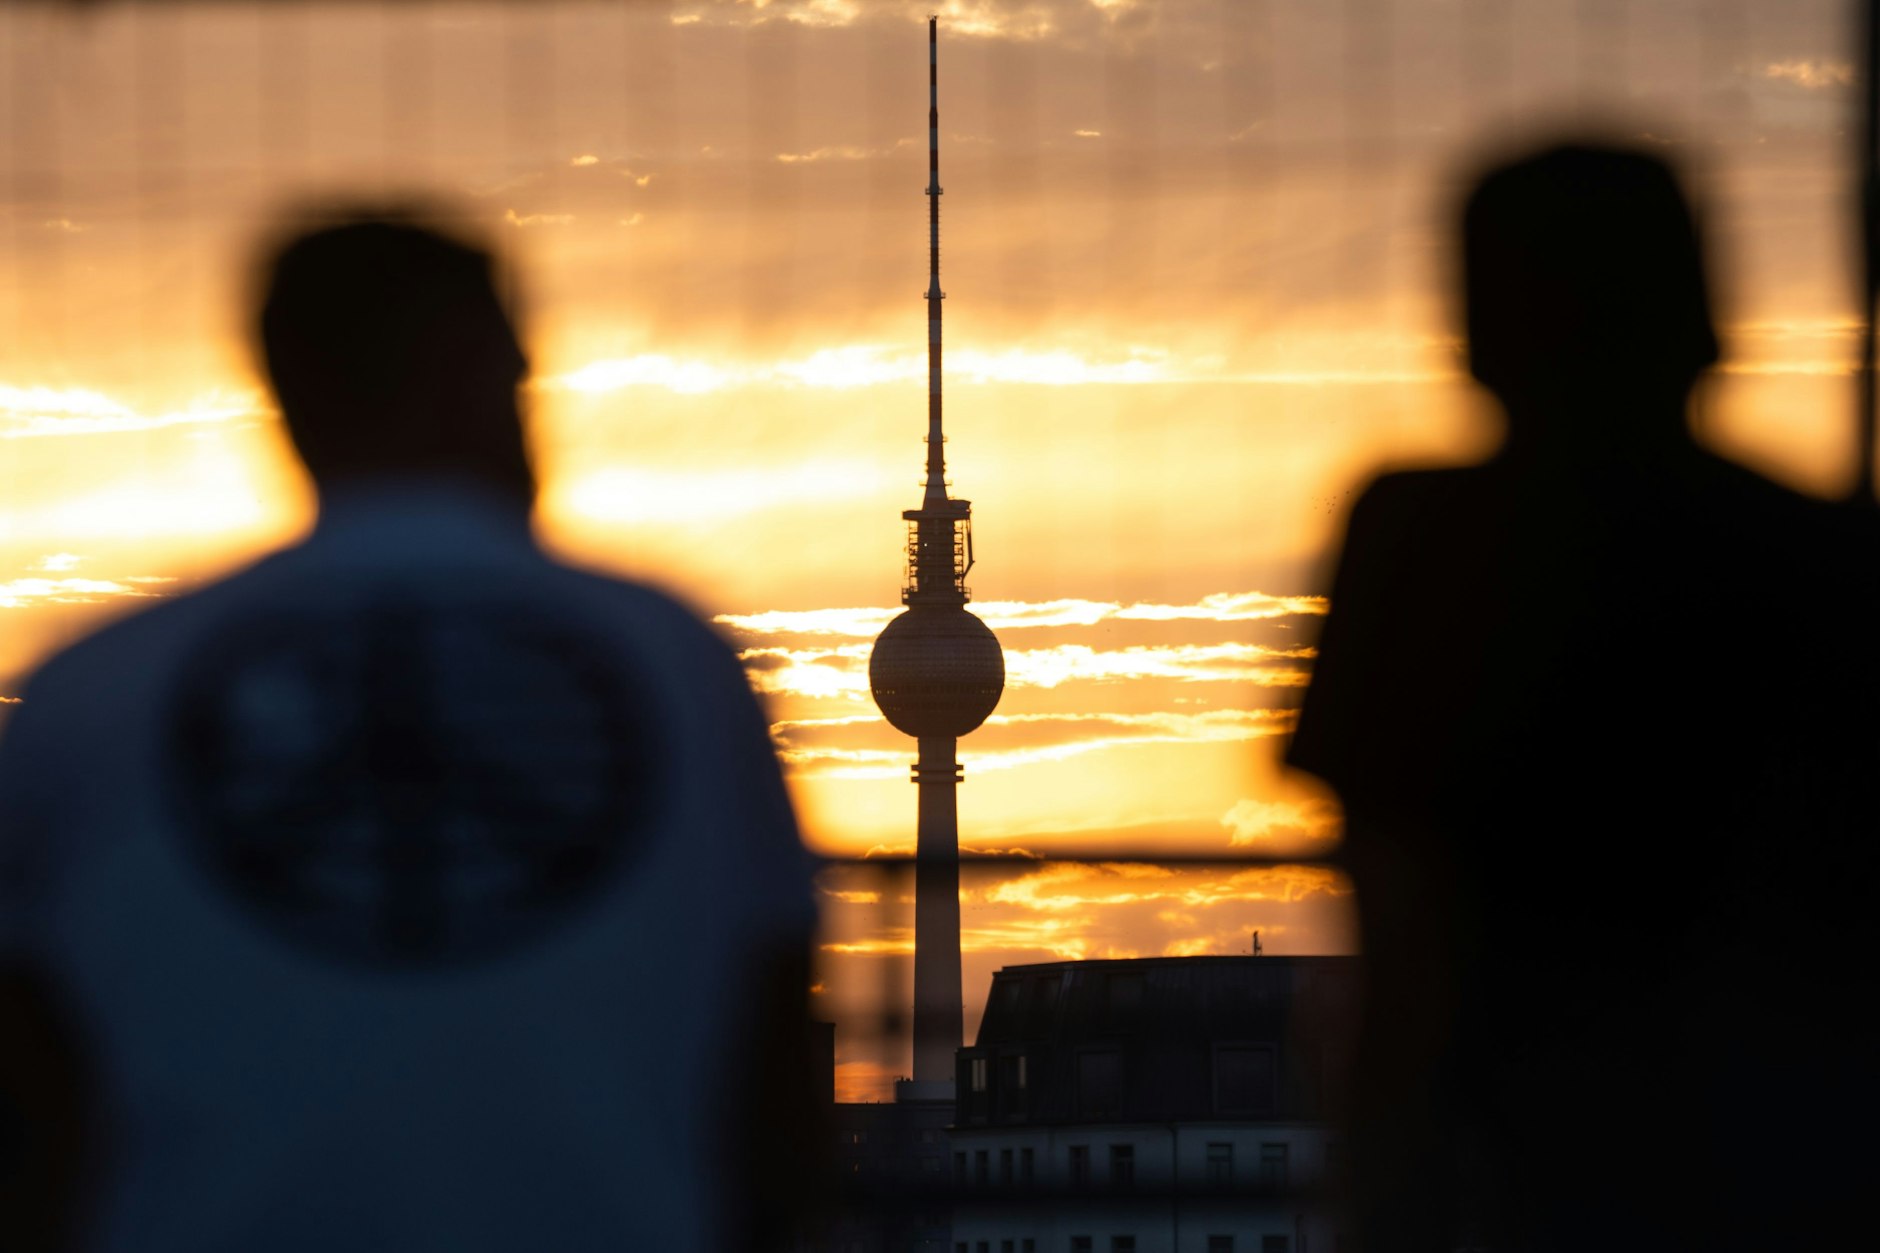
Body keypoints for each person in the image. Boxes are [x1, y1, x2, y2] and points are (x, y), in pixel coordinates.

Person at [0, 210, 820, 1252]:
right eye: (521, 374)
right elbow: (770, 1061)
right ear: (476, 368)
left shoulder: (92, 690)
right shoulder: (674, 666)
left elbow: (30, 1095)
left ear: (288, 391)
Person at [1289, 143, 1878, 1252]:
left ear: (1472, 342)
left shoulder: (1418, 545)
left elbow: (1395, 920)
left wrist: (1380, 1199)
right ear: (1707, 322)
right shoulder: (1826, 559)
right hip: (1791, 1146)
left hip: (1521, 1152)